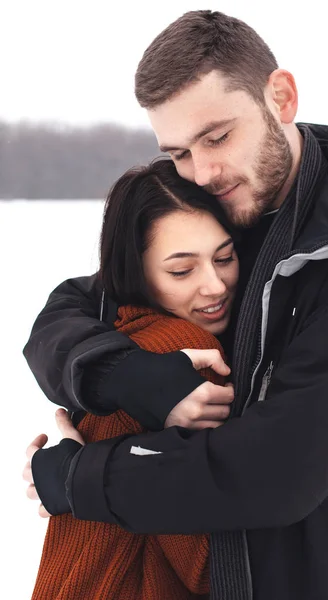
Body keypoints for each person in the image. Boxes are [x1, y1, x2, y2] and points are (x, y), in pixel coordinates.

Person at [23, 9, 328, 600]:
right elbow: (70, 308)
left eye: (217, 136)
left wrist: (80, 478)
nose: (203, 171)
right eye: (178, 152)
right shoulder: (223, 202)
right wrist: (121, 373)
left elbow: (277, 472)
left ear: (280, 96)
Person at [25, 158, 239, 600]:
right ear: (135, 272)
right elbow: (207, 567)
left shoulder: (122, 330)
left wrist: (76, 472)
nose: (215, 285)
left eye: (225, 257)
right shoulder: (180, 345)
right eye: (182, 270)